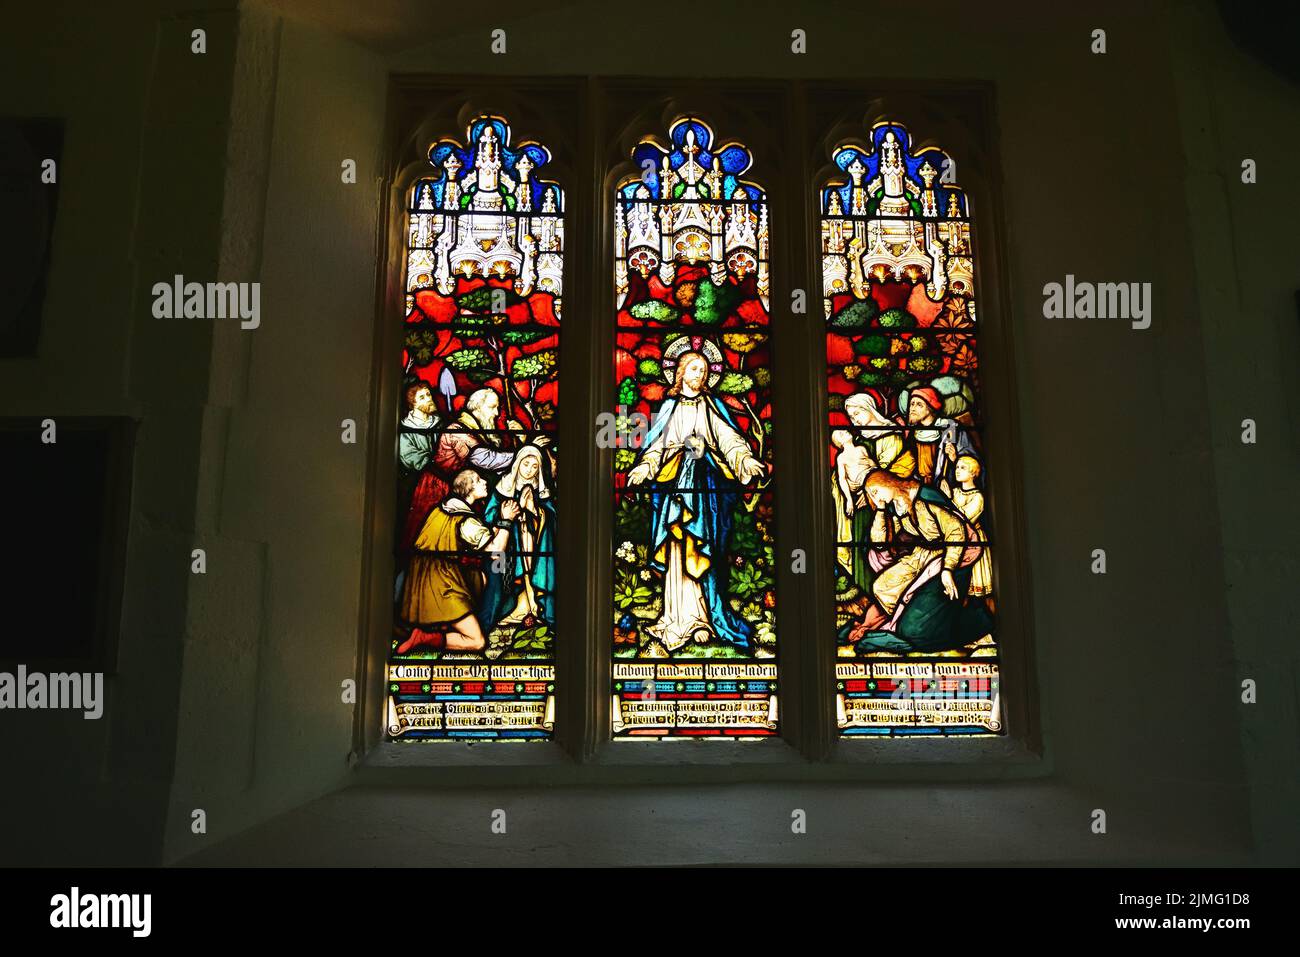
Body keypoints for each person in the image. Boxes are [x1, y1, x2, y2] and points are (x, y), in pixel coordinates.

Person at [626, 351, 767, 653]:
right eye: (693, 369)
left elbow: (729, 439)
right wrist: (644, 467)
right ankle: (675, 618)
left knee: (703, 547)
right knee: (677, 550)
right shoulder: (669, 408)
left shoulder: (711, 407)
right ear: (679, 373)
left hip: (704, 491)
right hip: (676, 488)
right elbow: (657, 447)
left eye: (703, 370)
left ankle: (702, 619)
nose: (699, 375)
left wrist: (744, 459)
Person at [841, 470, 992, 655]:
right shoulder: (896, 506)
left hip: (957, 554)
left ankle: (979, 618)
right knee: (882, 586)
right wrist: (880, 510)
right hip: (927, 553)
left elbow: (956, 532)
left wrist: (947, 569)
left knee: (917, 630)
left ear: (888, 482)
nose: (874, 497)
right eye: (871, 494)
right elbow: (879, 542)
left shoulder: (925, 497)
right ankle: (901, 618)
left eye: (875, 491)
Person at [398, 469, 520, 653]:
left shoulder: (444, 509)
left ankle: (443, 623)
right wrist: (507, 521)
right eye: (479, 480)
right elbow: (496, 552)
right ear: (469, 489)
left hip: (422, 577)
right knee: (477, 642)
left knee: (481, 579)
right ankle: (427, 637)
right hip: (440, 582)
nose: (485, 482)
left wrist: (496, 528)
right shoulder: (465, 521)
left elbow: (482, 541)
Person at [479, 444, 556, 629]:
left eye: (534, 466)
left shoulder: (542, 490)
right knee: (514, 574)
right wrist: (507, 515)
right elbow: (489, 516)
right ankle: (520, 606)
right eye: (525, 464)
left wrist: (534, 510)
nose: (529, 470)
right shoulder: (504, 486)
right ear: (517, 464)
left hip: (534, 542)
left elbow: (552, 517)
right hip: (511, 544)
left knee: (533, 568)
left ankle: (536, 607)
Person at [397, 381, 443, 552]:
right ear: (412, 403)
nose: (428, 399)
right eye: (422, 397)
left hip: (440, 484)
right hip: (415, 487)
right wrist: (437, 461)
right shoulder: (406, 428)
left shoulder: (439, 424)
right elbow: (409, 457)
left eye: (429, 395)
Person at [946, 454, 992, 601]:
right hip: (956, 540)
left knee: (978, 594)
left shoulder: (978, 497)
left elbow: (963, 519)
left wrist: (948, 502)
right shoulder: (954, 492)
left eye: (963, 468)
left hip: (973, 541)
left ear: (973, 473)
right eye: (957, 467)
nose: (957, 470)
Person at [905, 385, 972, 489]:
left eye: (919, 404)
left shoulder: (950, 427)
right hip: (919, 485)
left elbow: (971, 461)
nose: (912, 408)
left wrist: (955, 458)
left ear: (930, 408)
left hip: (945, 486)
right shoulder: (913, 434)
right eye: (911, 404)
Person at [830, 429, 872, 585]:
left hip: (871, 487)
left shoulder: (862, 449)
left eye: (843, 430)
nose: (845, 431)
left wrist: (870, 481)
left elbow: (873, 465)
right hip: (857, 497)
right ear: (839, 443)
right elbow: (842, 479)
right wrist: (848, 499)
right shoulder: (841, 458)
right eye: (840, 434)